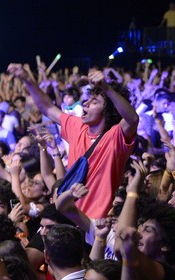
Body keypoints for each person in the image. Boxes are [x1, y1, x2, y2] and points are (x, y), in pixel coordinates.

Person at [9, 63, 137, 219]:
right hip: (69, 216)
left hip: (96, 224)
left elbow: (132, 119)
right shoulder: (78, 126)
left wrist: (108, 89)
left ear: (109, 111)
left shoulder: (116, 137)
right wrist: (27, 79)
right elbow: (47, 107)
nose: (85, 103)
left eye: (95, 102)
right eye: (88, 99)